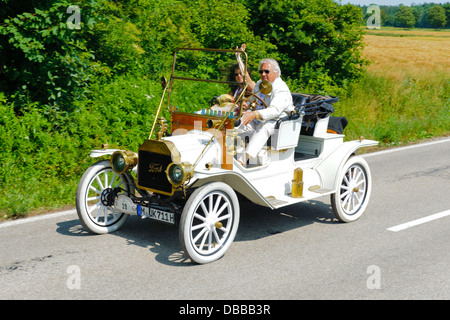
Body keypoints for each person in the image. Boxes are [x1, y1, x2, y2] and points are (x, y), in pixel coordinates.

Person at [237, 58, 294, 167]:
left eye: (266, 71)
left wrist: (254, 114)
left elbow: (275, 110)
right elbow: (254, 101)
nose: (263, 74)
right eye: (261, 71)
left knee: (265, 127)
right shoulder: (260, 84)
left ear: (276, 73)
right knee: (239, 123)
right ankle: (227, 152)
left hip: (278, 121)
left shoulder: (281, 89)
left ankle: (242, 160)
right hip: (260, 117)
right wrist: (248, 106)